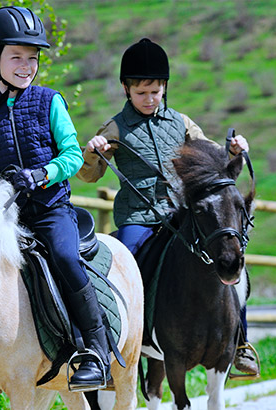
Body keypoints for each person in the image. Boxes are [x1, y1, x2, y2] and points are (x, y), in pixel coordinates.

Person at [76, 38, 259, 377]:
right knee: (124, 266)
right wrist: (93, 150)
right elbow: (89, 174)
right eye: (141, 92)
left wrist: (233, 152)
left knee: (231, 259)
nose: (149, 99)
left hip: (180, 214)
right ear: (126, 89)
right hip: (137, 219)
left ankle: (240, 345)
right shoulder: (116, 127)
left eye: (155, 92)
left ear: (164, 88)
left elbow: (213, 161)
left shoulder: (182, 123)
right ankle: (117, 341)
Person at [0, 6, 111, 390]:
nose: (26, 66)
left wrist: (42, 174)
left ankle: (95, 351)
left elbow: (74, 155)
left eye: (32, 58)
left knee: (63, 256)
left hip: (50, 210)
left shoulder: (49, 102)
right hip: (4, 218)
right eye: (16, 58)